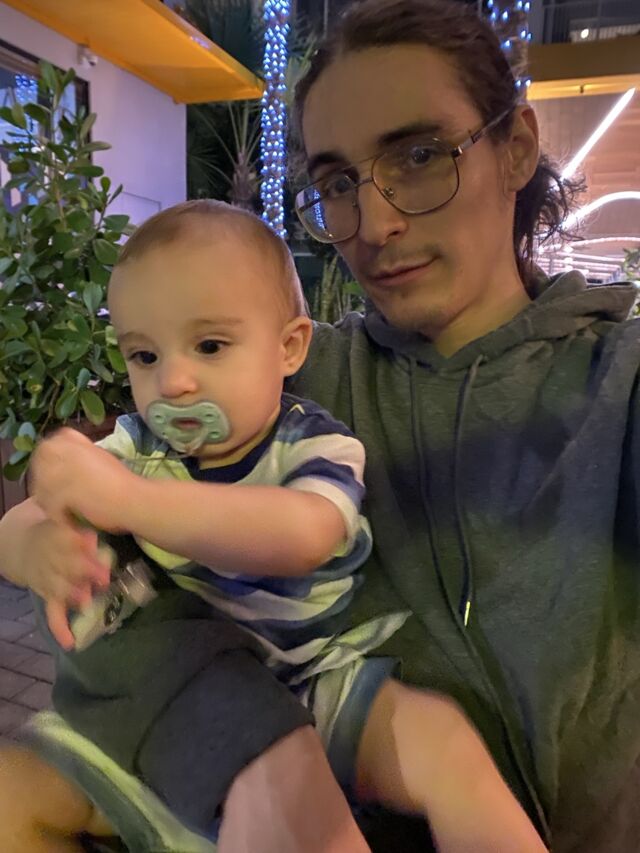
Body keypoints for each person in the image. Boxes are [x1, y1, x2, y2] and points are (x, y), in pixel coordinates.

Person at [0, 199, 545, 853]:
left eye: (210, 345)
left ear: (289, 347)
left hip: (315, 684)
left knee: (444, 740)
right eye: (144, 355)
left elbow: (303, 534)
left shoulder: (313, 444)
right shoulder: (136, 447)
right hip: (168, 710)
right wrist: (36, 543)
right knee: (12, 791)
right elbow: (20, 519)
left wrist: (131, 502)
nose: (173, 380)